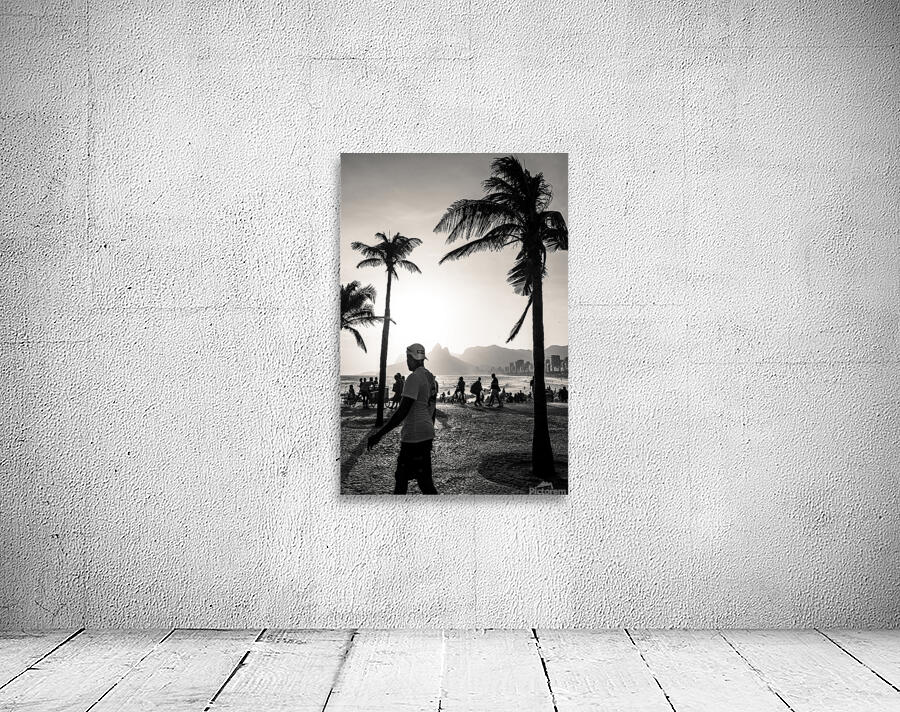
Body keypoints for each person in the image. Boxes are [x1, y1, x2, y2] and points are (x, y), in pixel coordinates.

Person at [367, 343, 439, 495]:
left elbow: (402, 412)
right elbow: (431, 408)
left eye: (407, 358)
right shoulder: (430, 377)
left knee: (402, 480)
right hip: (426, 434)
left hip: (414, 436)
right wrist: (430, 432)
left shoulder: (414, 378)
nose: (407, 361)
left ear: (412, 358)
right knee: (425, 483)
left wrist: (378, 435)